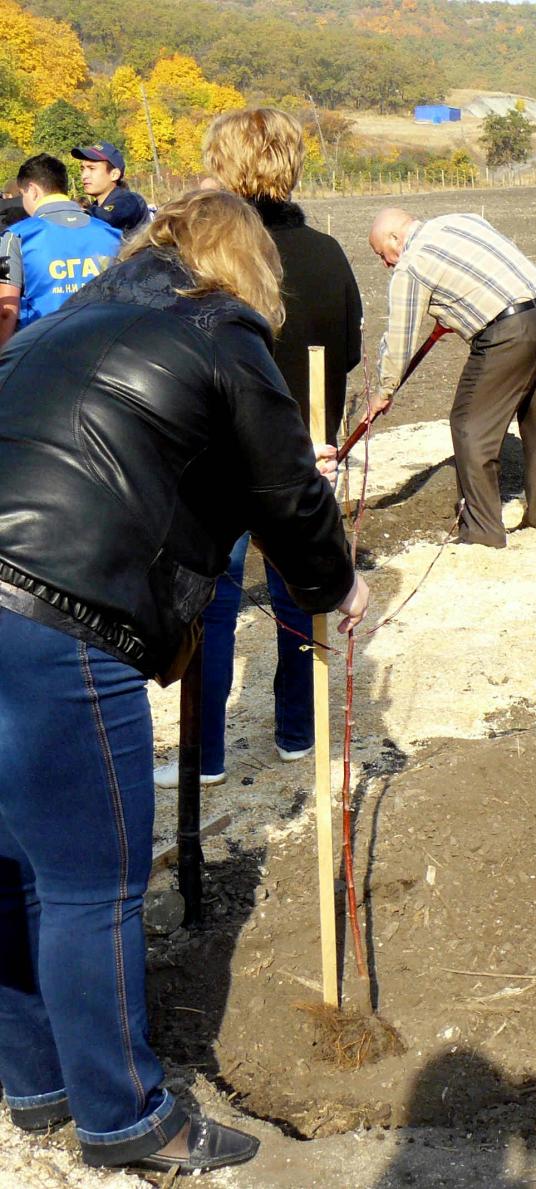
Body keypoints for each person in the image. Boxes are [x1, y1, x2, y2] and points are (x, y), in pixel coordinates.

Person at [0, 188, 368, 1174]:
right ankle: (129, 1120)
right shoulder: (221, 329)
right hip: (56, 616)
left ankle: (37, 1083)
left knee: (13, 862)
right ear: (246, 263)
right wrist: (337, 581)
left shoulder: (55, 334)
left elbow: (145, 459)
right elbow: (287, 496)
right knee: (94, 883)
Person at [152, 107, 363, 789]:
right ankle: (298, 732)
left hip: (218, 455)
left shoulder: (204, 255)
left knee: (210, 601)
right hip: (305, 447)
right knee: (300, 590)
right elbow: (349, 350)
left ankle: (203, 755)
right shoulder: (327, 254)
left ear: (225, 164)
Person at [369, 206, 536, 547]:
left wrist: (384, 390)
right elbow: (482, 273)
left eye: (382, 254)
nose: (385, 263)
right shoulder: (460, 220)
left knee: (469, 426)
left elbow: (400, 338)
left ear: (395, 237)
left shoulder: (412, 264)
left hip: (510, 330)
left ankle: (482, 535)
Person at [0, 154, 122, 348]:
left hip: (41, 350)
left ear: (32, 191)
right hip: (103, 348)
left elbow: (6, 311)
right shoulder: (113, 234)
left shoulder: (16, 236)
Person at [70, 141, 150, 234]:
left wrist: (69, 215)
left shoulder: (129, 200)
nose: (84, 175)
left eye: (92, 168)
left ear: (114, 174)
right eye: (82, 169)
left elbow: (107, 217)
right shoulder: (97, 206)